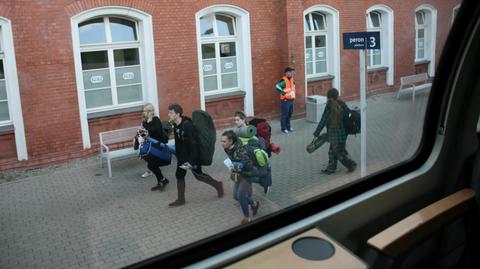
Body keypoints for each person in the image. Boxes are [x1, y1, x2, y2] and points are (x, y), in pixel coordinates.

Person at [167, 104, 224, 207]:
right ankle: (181, 200)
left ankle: (218, 185)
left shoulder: (187, 126)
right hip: (182, 157)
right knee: (179, 175)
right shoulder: (175, 125)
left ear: (177, 114)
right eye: (169, 112)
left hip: (192, 157)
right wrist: (178, 155)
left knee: (199, 176)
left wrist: (191, 162)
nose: (168, 115)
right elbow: (179, 142)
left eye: (171, 113)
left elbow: (194, 145)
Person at [313, 88, 357, 174]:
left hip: (334, 134)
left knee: (337, 153)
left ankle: (350, 166)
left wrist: (316, 133)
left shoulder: (330, 106)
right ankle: (336, 167)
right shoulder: (342, 104)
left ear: (329, 97)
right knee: (338, 150)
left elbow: (323, 120)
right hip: (343, 133)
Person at [221, 130, 260, 224]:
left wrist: (239, 166)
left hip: (248, 174)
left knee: (241, 195)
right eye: (221, 141)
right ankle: (254, 204)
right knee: (236, 196)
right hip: (238, 174)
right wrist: (232, 166)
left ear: (231, 141)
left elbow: (249, 165)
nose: (222, 143)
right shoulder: (227, 148)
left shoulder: (240, 150)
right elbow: (232, 159)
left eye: (224, 141)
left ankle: (247, 218)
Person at [141, 103, 170, 191]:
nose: (143, 112)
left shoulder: (156, 119)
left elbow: (155, 131)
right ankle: (163, 180)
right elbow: (145, 132)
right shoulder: (144, 121)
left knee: (152, 165)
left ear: (150, 112)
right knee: (152, 165)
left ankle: (162, 181)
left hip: (158, 146)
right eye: (144, 111)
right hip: (150, 147)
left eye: (145, 111)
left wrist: (150, 120)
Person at [275, 67, 296, 134]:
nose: (292, 73)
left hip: (291, 100)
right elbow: (277, 87)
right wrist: (283, 93)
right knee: (284, 115)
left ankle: (288, 127)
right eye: (291, 72)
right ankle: (283, 129)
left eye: (293, 72)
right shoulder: (283, 81)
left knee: (289, 114)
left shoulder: (292, 79)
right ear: (287, 73)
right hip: (285, 100)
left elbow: (292, 88)